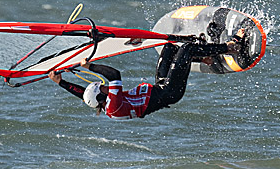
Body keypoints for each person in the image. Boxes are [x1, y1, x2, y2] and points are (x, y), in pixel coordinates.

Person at [47, 31, 245, 119]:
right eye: (102, 87)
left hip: (159, 86)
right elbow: (115, 74)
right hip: (169, 92)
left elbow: (85, 95)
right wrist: (90, 67)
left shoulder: (103, 101)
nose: (104, 85)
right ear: (103, 95)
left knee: (168, 48)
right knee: (186, 48)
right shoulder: (114, 106)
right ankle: (230, 47)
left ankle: (203, 58)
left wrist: (61, 82)